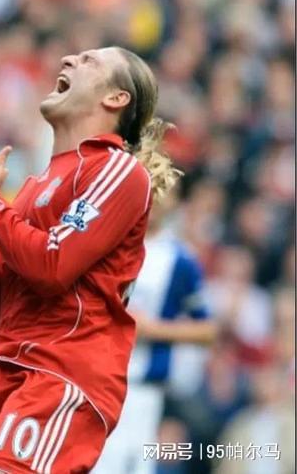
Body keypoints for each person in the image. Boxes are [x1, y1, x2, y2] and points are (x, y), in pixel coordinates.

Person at [0, 47, 181, 473]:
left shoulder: (118, 171)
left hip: (59, 374)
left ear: (116, 98)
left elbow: (52, 267)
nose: (68, 60)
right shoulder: (34, 186)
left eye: (89, 61)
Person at [92, 192, 217, 474]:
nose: (156, 201)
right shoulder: (107, 244)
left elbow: (207, 331)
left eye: (165, 192)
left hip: (143, 391)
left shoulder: (180, 260)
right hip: (95, 381)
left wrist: (151, 329)